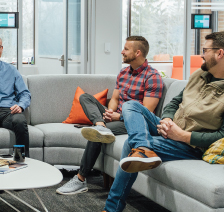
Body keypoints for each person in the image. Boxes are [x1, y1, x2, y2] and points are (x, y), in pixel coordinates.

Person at [84, 31, 224, 212]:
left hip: (190, 145)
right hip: (169, 129)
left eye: (205, 50)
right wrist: (166, 119)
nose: (201, 55)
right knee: (131, 105)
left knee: (129, 144)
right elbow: (176, 102)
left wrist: (183, 136)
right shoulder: (199, 76)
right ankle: (144, 148)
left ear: (219, 53)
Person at [56, 36, 164, 195]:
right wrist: (109, 112)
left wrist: (118, 117)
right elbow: (115, 98)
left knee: (96, 135)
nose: (122, 51)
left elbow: (145, 111)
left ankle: (80, 179)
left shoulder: (152, 77)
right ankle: (100, 125)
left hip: (133, 121)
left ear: (138, 52)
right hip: (115, 116)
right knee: (85, 98)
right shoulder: (124, 72)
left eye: (126, 49)